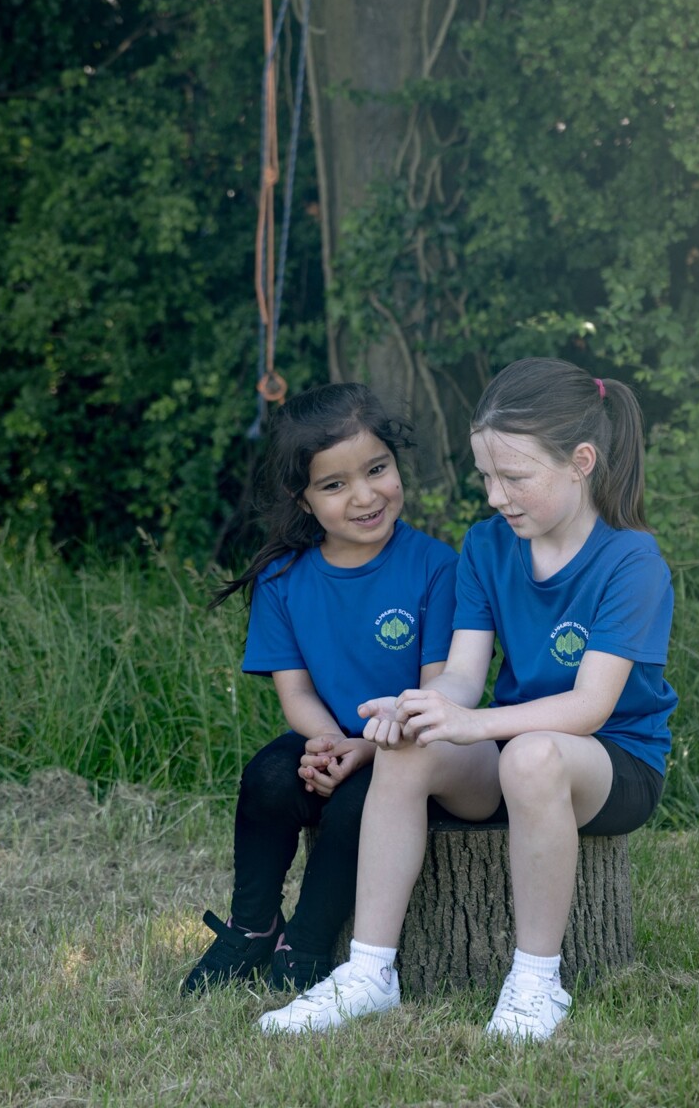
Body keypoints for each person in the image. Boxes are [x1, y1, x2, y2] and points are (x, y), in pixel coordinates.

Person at [258, 357, 675, 1041]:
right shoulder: (486, 547)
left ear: (581, 462)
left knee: (535, 758)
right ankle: (370, 974)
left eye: (514, 478)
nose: (493, 496)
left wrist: (474, 720)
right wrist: (420, 706)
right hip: (512, 750)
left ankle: (537, 983)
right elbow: (460, 674)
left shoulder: (631, 561)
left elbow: (590, 708)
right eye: (485, 477)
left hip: (611, 763)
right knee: (411, 744)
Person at [182, 383, 459, 995]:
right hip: (328, 743)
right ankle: (251, 927)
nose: (364, 496)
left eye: (377, 470)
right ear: (303, 500)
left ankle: (306, 945)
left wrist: (367, 749)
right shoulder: (284, 578)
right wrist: (329, 742)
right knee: (269, 776)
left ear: (395, 463)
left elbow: (440, 694)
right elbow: (297, 692)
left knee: (362, 804)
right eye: (334, 485)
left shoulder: (437, 567)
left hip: (411, 753)